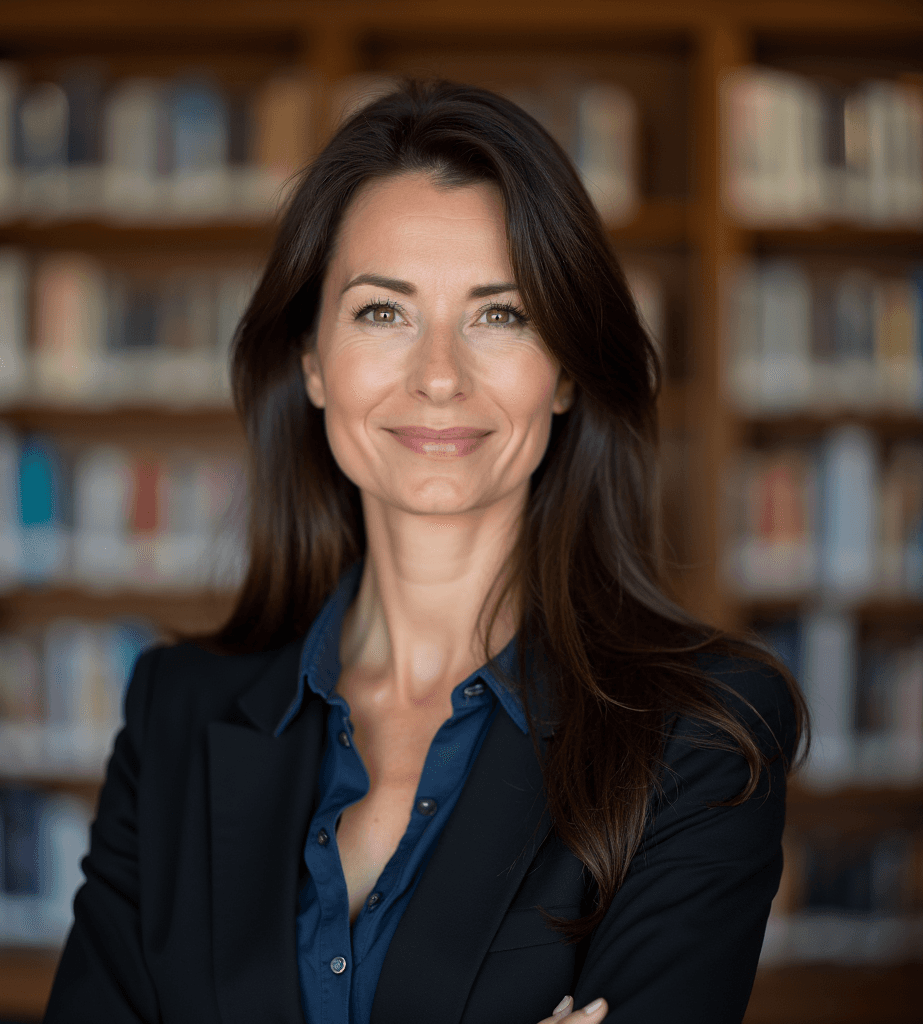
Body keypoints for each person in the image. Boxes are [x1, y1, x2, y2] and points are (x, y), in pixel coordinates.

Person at [42, 79, 808, 1024]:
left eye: (501, 313)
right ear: (313, 361)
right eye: (381, 311)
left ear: (564, 368)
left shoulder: (705, 734)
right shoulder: (174, 718)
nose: (439, 375)